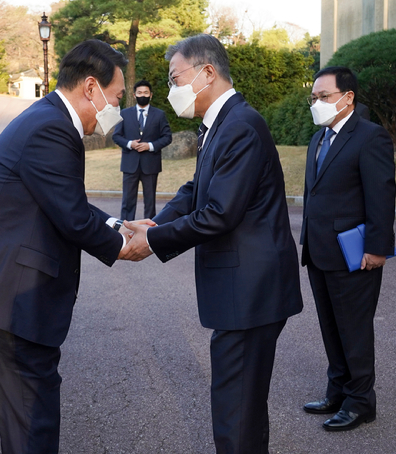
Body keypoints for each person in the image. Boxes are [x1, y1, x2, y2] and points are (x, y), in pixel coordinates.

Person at [0, 40, 145, 454]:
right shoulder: (51, 127)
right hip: (9, 303)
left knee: (23, 423)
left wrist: (118, 224)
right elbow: (73, 217)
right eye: (115, 97)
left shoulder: (46, 118)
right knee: (32, 424)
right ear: (91, 87)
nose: (117, 109)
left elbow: (60, 199)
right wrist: (122, 246)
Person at [121, 34, 303, 454]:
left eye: (174, 78)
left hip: (251, 291)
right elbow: (195, 188)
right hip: (245, 289)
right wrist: (154, 222)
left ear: (207, 73)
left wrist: (153, 240)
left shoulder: (240, 124)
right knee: (242, 407)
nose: (171, 91)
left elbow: (220, 212)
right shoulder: (220, 122)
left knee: (235, 409)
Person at [300, 66, 395, 431]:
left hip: (355, 254)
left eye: (324, 97)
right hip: (319, 251)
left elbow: (382, 196)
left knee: (354, 331)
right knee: (331, 327)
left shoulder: (371, 137)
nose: (318, 103)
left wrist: (377, 247)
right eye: (314, 98)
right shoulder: (319, 138)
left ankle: (361, 402)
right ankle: (337, 391)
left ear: (348, 97)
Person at [112, 80, 172, 220]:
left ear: (151, 95)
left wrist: (150, 146)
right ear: (134, 95)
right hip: (129, 164)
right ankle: (126, 230)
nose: (142, 95)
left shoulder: (159, 115)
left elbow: (167, 137)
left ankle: (148, 232)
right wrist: (130, 144)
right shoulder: (124, 114)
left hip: (150, 165)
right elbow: (116, 136)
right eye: (139, 93)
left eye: (145, 92)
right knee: (127, 201)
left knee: (150, 203)